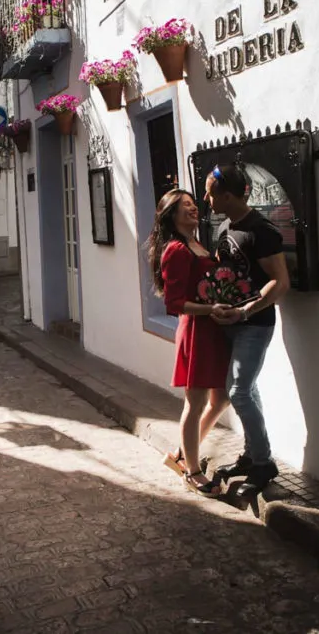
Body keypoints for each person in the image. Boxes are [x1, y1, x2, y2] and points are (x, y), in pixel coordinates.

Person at [204, 164, 290, 496]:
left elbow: (280, 282)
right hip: (230, 323)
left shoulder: (261, 230)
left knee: (239, 392)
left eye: (211, 192)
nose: (206, 198)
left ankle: (263, 463)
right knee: (246, 391)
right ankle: (252, 455)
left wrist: (243, 311)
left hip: (254, 324)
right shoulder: (226, 226)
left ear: (227, 195)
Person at [146, 189, 232, 497]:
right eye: (185, 206)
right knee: (195, 403)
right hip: (197, 330)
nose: (193, 208)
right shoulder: (177, 250)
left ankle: (183, 454)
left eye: (193, 204)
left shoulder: (197, 243)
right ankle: (192, 472)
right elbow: (174, 303)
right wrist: (211, 308)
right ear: (171, 214)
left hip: (211, 328)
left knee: (221, 399)